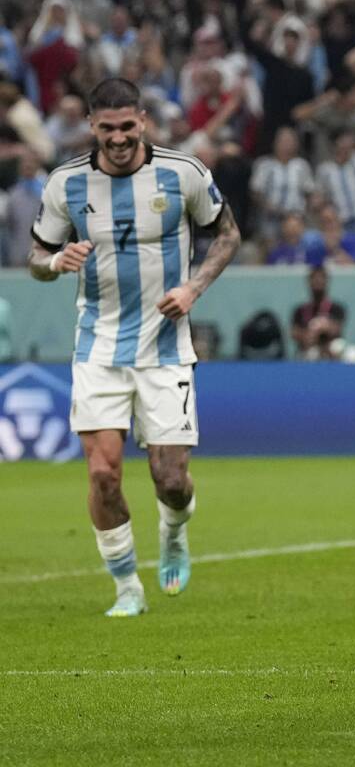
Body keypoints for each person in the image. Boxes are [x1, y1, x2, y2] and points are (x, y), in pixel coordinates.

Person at [28, 77, 241, 617]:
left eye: (127, 126)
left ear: (143, 120)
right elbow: (37, 255)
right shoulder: (65, 185)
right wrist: (55, 263)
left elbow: (228, 235)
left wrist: (193, 287)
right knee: (102, 474)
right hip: (98, 347)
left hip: (166, 347)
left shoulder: (183, 173)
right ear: (92, 127)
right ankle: (127, 587)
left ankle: (173, 531)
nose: (118, 138)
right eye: (107, 129)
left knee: (170, 481)